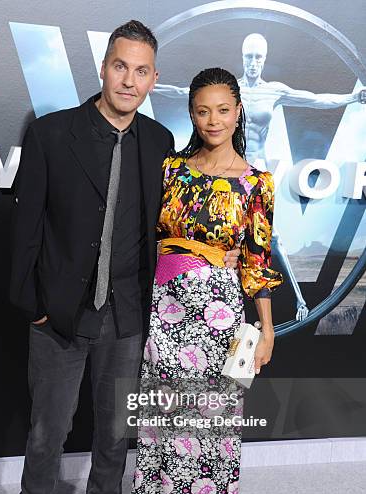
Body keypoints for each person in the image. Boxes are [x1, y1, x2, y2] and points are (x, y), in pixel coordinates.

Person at [8, 21, 241, 494]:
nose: (129, 80)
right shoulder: (51, 134)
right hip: (59, 314)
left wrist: (219, 253)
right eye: (120, 66)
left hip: (130, 315)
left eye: (141, 71)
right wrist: (34, 304)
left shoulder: (160, 143)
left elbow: (182, 217)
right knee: (49, 427)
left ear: (154, 78)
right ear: (104, 67)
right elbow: (25, 230)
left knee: (116, 429)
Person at [126, 67, 284, 494]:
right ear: (191, 114)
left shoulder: (258, 184)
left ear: (238, 112)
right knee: (163, 425)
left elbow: (257, 263)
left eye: (222, 109)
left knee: (210, 430)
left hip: (220, 318)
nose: (212, 119)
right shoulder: (171, 169)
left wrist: (266, 330)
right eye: (201, 110)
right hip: (166, 309)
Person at [154, 34, 364, 322]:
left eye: (258, 57)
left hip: (250, 173)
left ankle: (297, 302)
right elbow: (179, 92)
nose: (253, 63)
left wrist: (352, 97)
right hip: (168, 300)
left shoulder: (273, 92)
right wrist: (147, 86)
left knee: (270, 241)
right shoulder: (220, 97)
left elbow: (315, 100)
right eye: (249, 56)